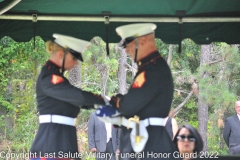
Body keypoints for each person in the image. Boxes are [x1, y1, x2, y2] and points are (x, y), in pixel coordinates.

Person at [96, 23, 178, 160]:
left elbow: (128, 106)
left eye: (128, 45)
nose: (127, 51)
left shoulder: (152, 69)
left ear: (142, 41)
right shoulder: (151, 67)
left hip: (151, 143)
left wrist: (114, 101)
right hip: (148, 139)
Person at [29, 33, 105, 160]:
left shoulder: (56, 77)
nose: (76, 64)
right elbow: (79, 97)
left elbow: (80, 100)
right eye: (74, 58)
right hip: (51, 147)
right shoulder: (49, 77)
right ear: (61, 55)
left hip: (62, 145)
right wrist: (107, 101)